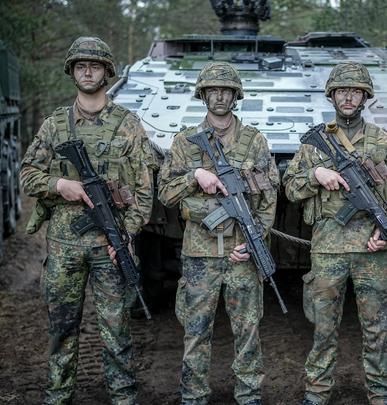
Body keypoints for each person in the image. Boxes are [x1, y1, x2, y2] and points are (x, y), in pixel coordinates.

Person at [20, 36, 156, 405]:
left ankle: (123, 395)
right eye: (81, 66)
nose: (88, 72)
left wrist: (127, 234)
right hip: (65, 244)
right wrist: (59, 183)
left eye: (95, 66)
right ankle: (59, 393)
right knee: (62, 326)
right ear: (72, 72)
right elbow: (27, 173)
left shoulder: (128, 126)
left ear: (107, 73)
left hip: (111, 245)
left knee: (117, 328)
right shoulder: (55, 125)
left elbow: (144, 189)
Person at [283, 61, 387, 405]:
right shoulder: (315, 143)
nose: (349, 97)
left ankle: (381, 392)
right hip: (328, 247)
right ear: (332, 95)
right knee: (323, 329)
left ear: (365, 96)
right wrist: (316, 175)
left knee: (377, 329)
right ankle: (317, 391)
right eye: (342, 91)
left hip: (374, 249)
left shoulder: (384, 142)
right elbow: (290, 188)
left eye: (355, 91)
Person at [157, 61, 279, 405]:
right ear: (203, 95)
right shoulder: (185, 142)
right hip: (199, 253)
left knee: (248, 330)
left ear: (235, 95)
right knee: (195, 331)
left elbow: (269, 197)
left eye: (226, 90)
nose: (220, 96)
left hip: (242, 253)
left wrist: (256, 242)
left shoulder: (254, 141)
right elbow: (165, 193)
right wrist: (194, 174)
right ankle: (194, 396)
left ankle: (249, 394)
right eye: (213, 90)